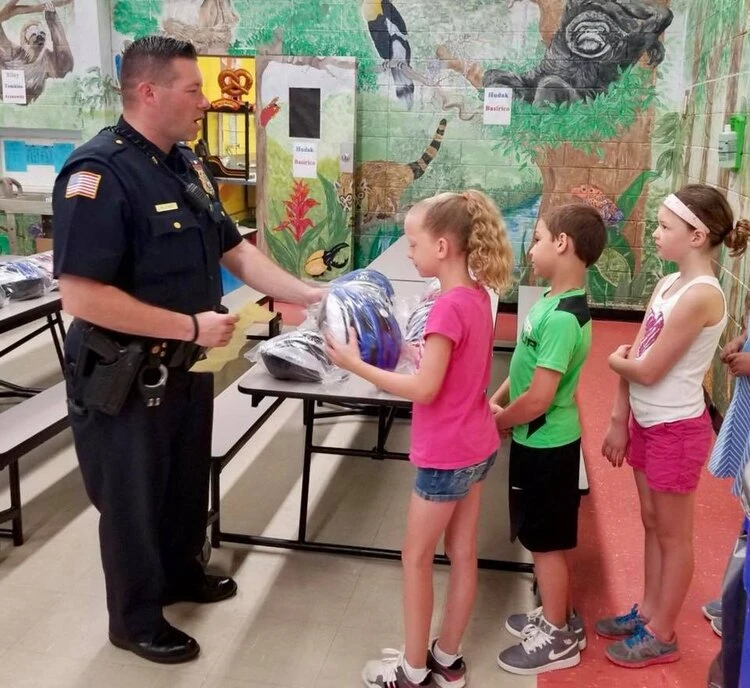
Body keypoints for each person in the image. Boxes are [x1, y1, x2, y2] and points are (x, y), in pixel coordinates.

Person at [52, 36, 322, 664]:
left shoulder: (183, 163)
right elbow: (81, 295)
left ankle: (178, 572)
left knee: (179, 482)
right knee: (132, 496)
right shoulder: (99, 174)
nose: (205, 101)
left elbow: (236, 249)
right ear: (149, 92)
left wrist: (308, 292)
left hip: (186, 367)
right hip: (126, 371)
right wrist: (188, 328)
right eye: (193, 88)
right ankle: (136, 619)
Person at [325, 190, 512, 688]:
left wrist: (355, 364)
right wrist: (413, 349)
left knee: (416, 557)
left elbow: (426, 389)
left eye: (414, 244)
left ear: (445, 246)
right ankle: (447, 661)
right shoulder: (477, 296)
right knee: (464, 553)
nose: (409, 253)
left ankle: (411, 671)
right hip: (477, 445)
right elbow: (453, 369)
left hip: (446, 454)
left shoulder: (447, 306)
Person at [598, 184, 750, 668]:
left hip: (676, 430)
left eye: (665, 227)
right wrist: (620, 417)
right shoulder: (668, 285)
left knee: (673, 533)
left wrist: (612, 361)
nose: (655, 233)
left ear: (698, 235)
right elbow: (639, 350)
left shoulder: (703, 296)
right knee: (650, 521)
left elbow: (644, 367)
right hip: (645, 422)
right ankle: (647, 611)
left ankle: (662, 633)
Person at [491, 203, 606, 675]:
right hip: (533, 439)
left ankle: (558, 634)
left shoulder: (562, 318)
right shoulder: (550, 302)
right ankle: (558, 614)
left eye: (537, 238)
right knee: (544, 537)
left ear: (562, 244)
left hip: (546, 445)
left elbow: (538, 398)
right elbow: (522, 365)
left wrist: (497, 422)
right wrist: (495, 400)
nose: (531, 247)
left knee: (546, 543)